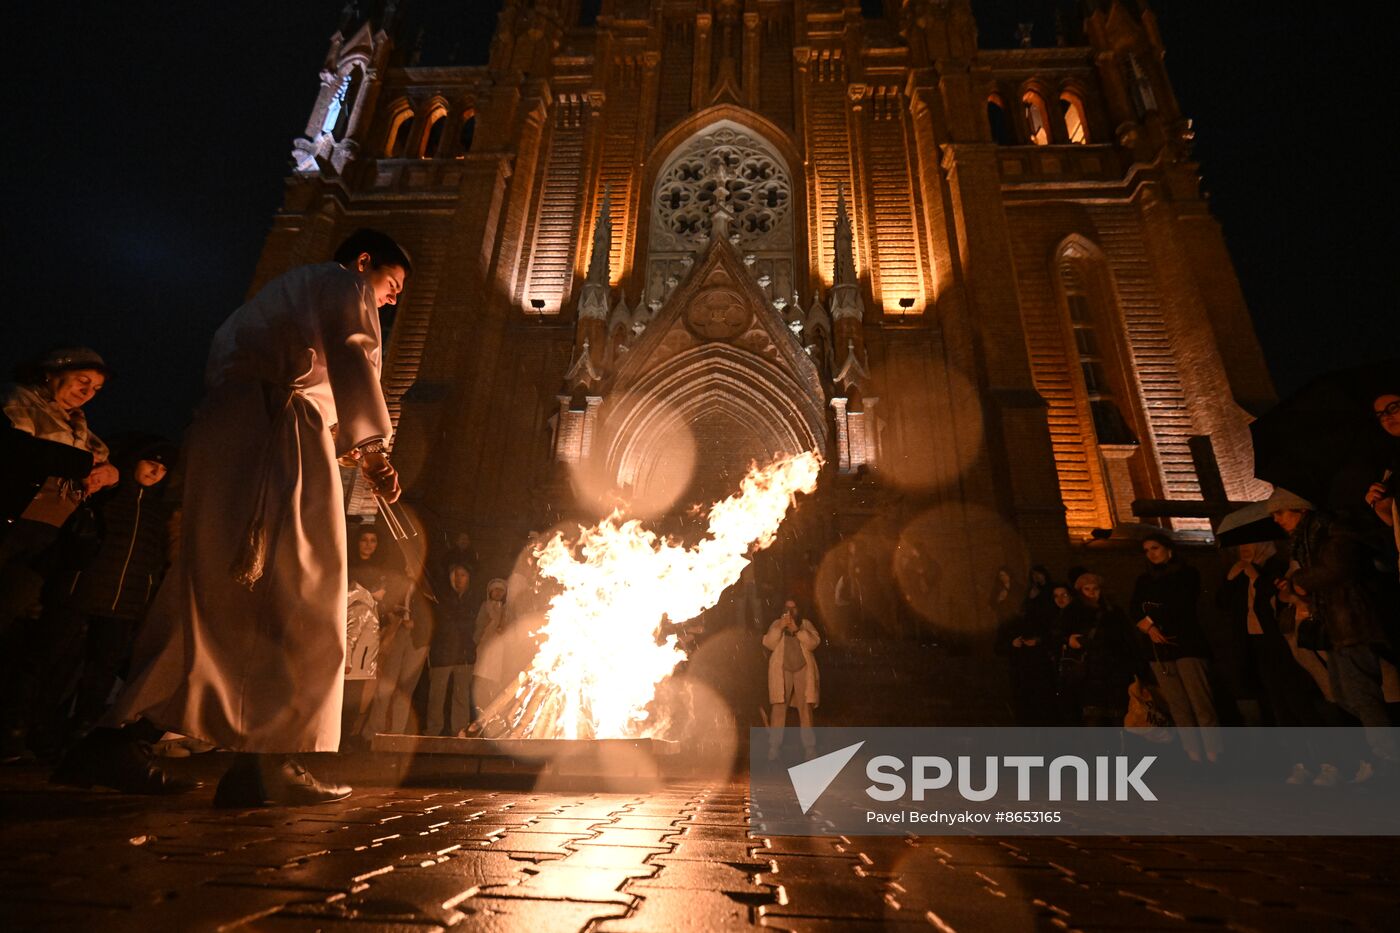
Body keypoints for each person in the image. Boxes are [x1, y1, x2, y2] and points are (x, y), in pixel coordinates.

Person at [58, 229, 408, 804]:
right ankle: (266, 763)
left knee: (212, 593)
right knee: (302, 588)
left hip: (234, 433)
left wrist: (339, 436)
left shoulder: (276, 296)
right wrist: (372, 449)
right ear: (365, 262)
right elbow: (349, 350)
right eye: (391, 285)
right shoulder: (341, 282)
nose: (390, 299)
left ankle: (123, 738)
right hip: (280, 437)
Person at [1272, 487, 1399, 776]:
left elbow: (1336, 568)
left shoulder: (1331, 532)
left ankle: (1389, 760)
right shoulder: (1306, 541)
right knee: (1343, 695)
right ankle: (1384, 750)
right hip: (1335, 626)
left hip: (1352, 623)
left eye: (1280, 512)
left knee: (1362, 694)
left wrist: (1301, 579)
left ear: (1300, 509)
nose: (1277, 519)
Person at [67, 442, 176, 735]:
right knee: (62, 662)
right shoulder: (110, 494)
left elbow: (156, 555)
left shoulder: (158, 509)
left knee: (102, 670)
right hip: (87, 591)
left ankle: (83, 730)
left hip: (125, 603)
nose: (156, 471)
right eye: (151, 462)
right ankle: (37, 729)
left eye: (164, 468)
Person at [1129, 533, 1222, 764]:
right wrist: (1149, 628)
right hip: (1159, 650)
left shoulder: (1186, 574)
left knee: (1200, 701)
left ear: (1169, 549)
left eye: (1155, 548)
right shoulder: (1144, 580)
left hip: (1186, 644)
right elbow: (1135, 608)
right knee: (1178, 704)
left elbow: (1178, 603)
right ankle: (1193, 754)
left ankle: (1213, 752)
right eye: (1147, 550)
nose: (1151, 553)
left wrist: (1149, 620)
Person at [1070, 573, 1138, 727]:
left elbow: (1126, 639)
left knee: (1117, 717)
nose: (1092, 593)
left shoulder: (1113, 612)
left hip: (1113, 671)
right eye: (1087, 589)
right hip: (1090, 672)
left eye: (1095, 589)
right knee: (1094, 717)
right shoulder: (1075, 612)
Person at [993, 580, 1058, 727]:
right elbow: (998, 647)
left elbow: (1051, 637)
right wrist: (1012, 644)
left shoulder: (1038, 618)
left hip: (1039, 671)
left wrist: (1038, 641)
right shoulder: (1007, 623)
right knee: (1024, 710)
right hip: (1019, 672)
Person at [762, 597, 820, 758]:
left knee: (805, 709)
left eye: (794, 608)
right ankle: (774, 747)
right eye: (787, 608)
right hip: (783, 670)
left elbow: (813, 643)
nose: (790, 612)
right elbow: (769, 643)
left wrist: (797, 630)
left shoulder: (805, 624)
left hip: (802, 669)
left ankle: (810, 748)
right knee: (779, 707)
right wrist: (780, 627)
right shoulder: (777, 623)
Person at [425, 564, 476, 737]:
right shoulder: (441, 598)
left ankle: (460, 730)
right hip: (442, 654)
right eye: (455, 575)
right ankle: (433, 730)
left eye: (462, 575)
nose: (458, 579)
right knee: (437, 696)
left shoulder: (473, 599)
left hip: (464, 655)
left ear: (468, 577)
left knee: (461, 695)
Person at [470, 577, 510, 727]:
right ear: (490, 592)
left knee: (494, 684)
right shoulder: (485, 606)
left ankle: (493, 718)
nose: (498, 593)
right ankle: (478, 717)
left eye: (501, 590)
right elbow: (479, 626)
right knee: (481, 682)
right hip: (484, 648)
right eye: (496, 590)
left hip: (499, 652)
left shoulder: (506, 608)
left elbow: (507, 626)